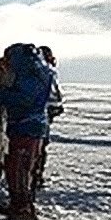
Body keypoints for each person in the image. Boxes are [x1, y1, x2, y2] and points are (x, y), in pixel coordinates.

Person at [0, 43, 55, 220]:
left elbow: (22, 99)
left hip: (27, 126)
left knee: (20, 169)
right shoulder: (37, 72)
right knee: (16, 167)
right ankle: (18, 205)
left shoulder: (29, 76)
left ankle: (23, 209)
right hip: (30, 126)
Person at [34, 45, 64, 188]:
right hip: (45, 114)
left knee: (36, 147)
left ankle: (35, 175)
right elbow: (56, 96)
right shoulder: (50, 72)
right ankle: (37, 174)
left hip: (38, 114)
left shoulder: (41, 73)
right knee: (40, 146)